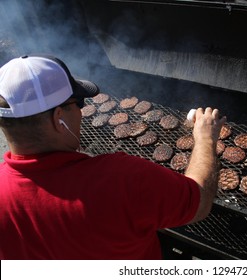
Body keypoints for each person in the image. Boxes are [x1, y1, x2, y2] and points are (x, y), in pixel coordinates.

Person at [0, 54, 226, 259]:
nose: (81, 110)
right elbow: (199, 201)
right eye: (78, 103)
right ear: (58, 117)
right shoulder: (120, 178)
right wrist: (206, 138)